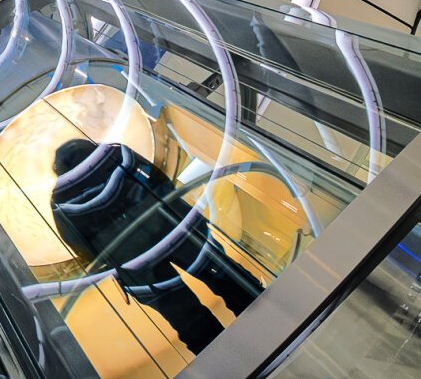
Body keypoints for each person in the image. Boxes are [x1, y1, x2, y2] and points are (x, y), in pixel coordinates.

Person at [50, 138, 262, 354]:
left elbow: (81, 247)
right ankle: (270, 320)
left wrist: (115, 257)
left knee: (188, 319)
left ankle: (229, 363)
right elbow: (159, 180)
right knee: (229, 280)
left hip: (136, 266)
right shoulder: (115, 153)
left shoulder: (59, 201)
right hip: (175, 229)